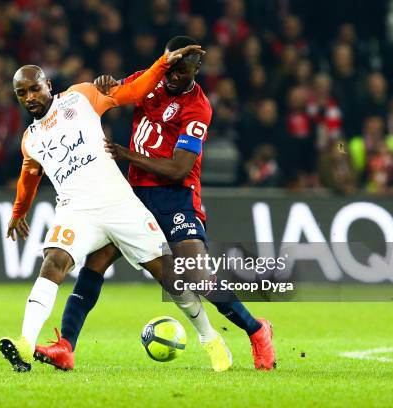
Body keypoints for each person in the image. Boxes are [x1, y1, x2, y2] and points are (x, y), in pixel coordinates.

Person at [35, 36, 276, 372]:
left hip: (174, 196)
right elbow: (111, 94)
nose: (174, 75)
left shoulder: (198, 107)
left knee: (197, 276)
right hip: (131, 194)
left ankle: (256, 329)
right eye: (170, 67)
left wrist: (125, 154)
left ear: (197, 67)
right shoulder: (149, 79)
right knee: (95, 264)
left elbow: (179, 168)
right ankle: (66, 347)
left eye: (183, 69)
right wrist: (104, 84)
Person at [0, 45, 231, 373]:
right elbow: (29, 176)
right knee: (53, 262)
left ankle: (210, 339)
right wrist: (18, 211)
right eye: (21, 93)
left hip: (120, 204)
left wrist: (163, 62)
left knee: (169, 276)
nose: (29, 97)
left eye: (34, 88)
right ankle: (25, 341)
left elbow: (135, 90)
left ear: (48, 84)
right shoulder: (30, 139)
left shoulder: (80, 97)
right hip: (76, 211)